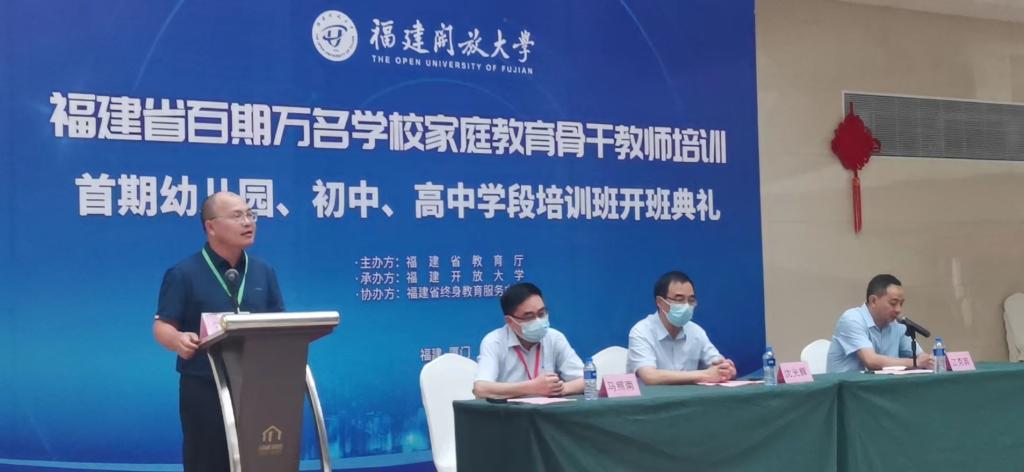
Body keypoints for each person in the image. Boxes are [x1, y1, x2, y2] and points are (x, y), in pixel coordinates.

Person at [152, 192, 284, 472]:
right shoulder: (183, 273)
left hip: (257, 387)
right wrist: (178, 339)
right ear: (210, 226)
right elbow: (162, 326)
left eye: (250, 215)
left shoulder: (264, 271)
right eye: (237, 216)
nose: (248, 222)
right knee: (208, 463)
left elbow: (280, 324)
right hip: (205, 389)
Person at [472, 282, 585, 399]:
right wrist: (532, 388)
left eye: (541, 314)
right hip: (509, 409)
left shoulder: (554, 338)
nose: (538, 321)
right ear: (509, 321)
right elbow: (481, 389)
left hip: (548, 409)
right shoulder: (494, 342)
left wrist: (558, 389)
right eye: (529, 316)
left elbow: (587, 380)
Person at [627, 271, 736, 384]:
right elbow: (650, 376)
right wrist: (705, 375)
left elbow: (717, 363)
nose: (687, 306)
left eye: (691, 300)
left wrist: (725, 369)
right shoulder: (641, 331)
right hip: (649, 396)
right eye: (679, 300)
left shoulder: (696, 331)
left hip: (691, 395)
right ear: (660, 302)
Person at [826, 274, 934, 373]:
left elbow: (921, 357)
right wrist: (915, 363)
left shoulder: (897, 326)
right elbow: (871, 361)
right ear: (873, 301)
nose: (898, 310)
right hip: (846, 386)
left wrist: (929, 360)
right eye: (893, 303)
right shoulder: (852, 319)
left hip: (881, 385)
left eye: (901, 304)